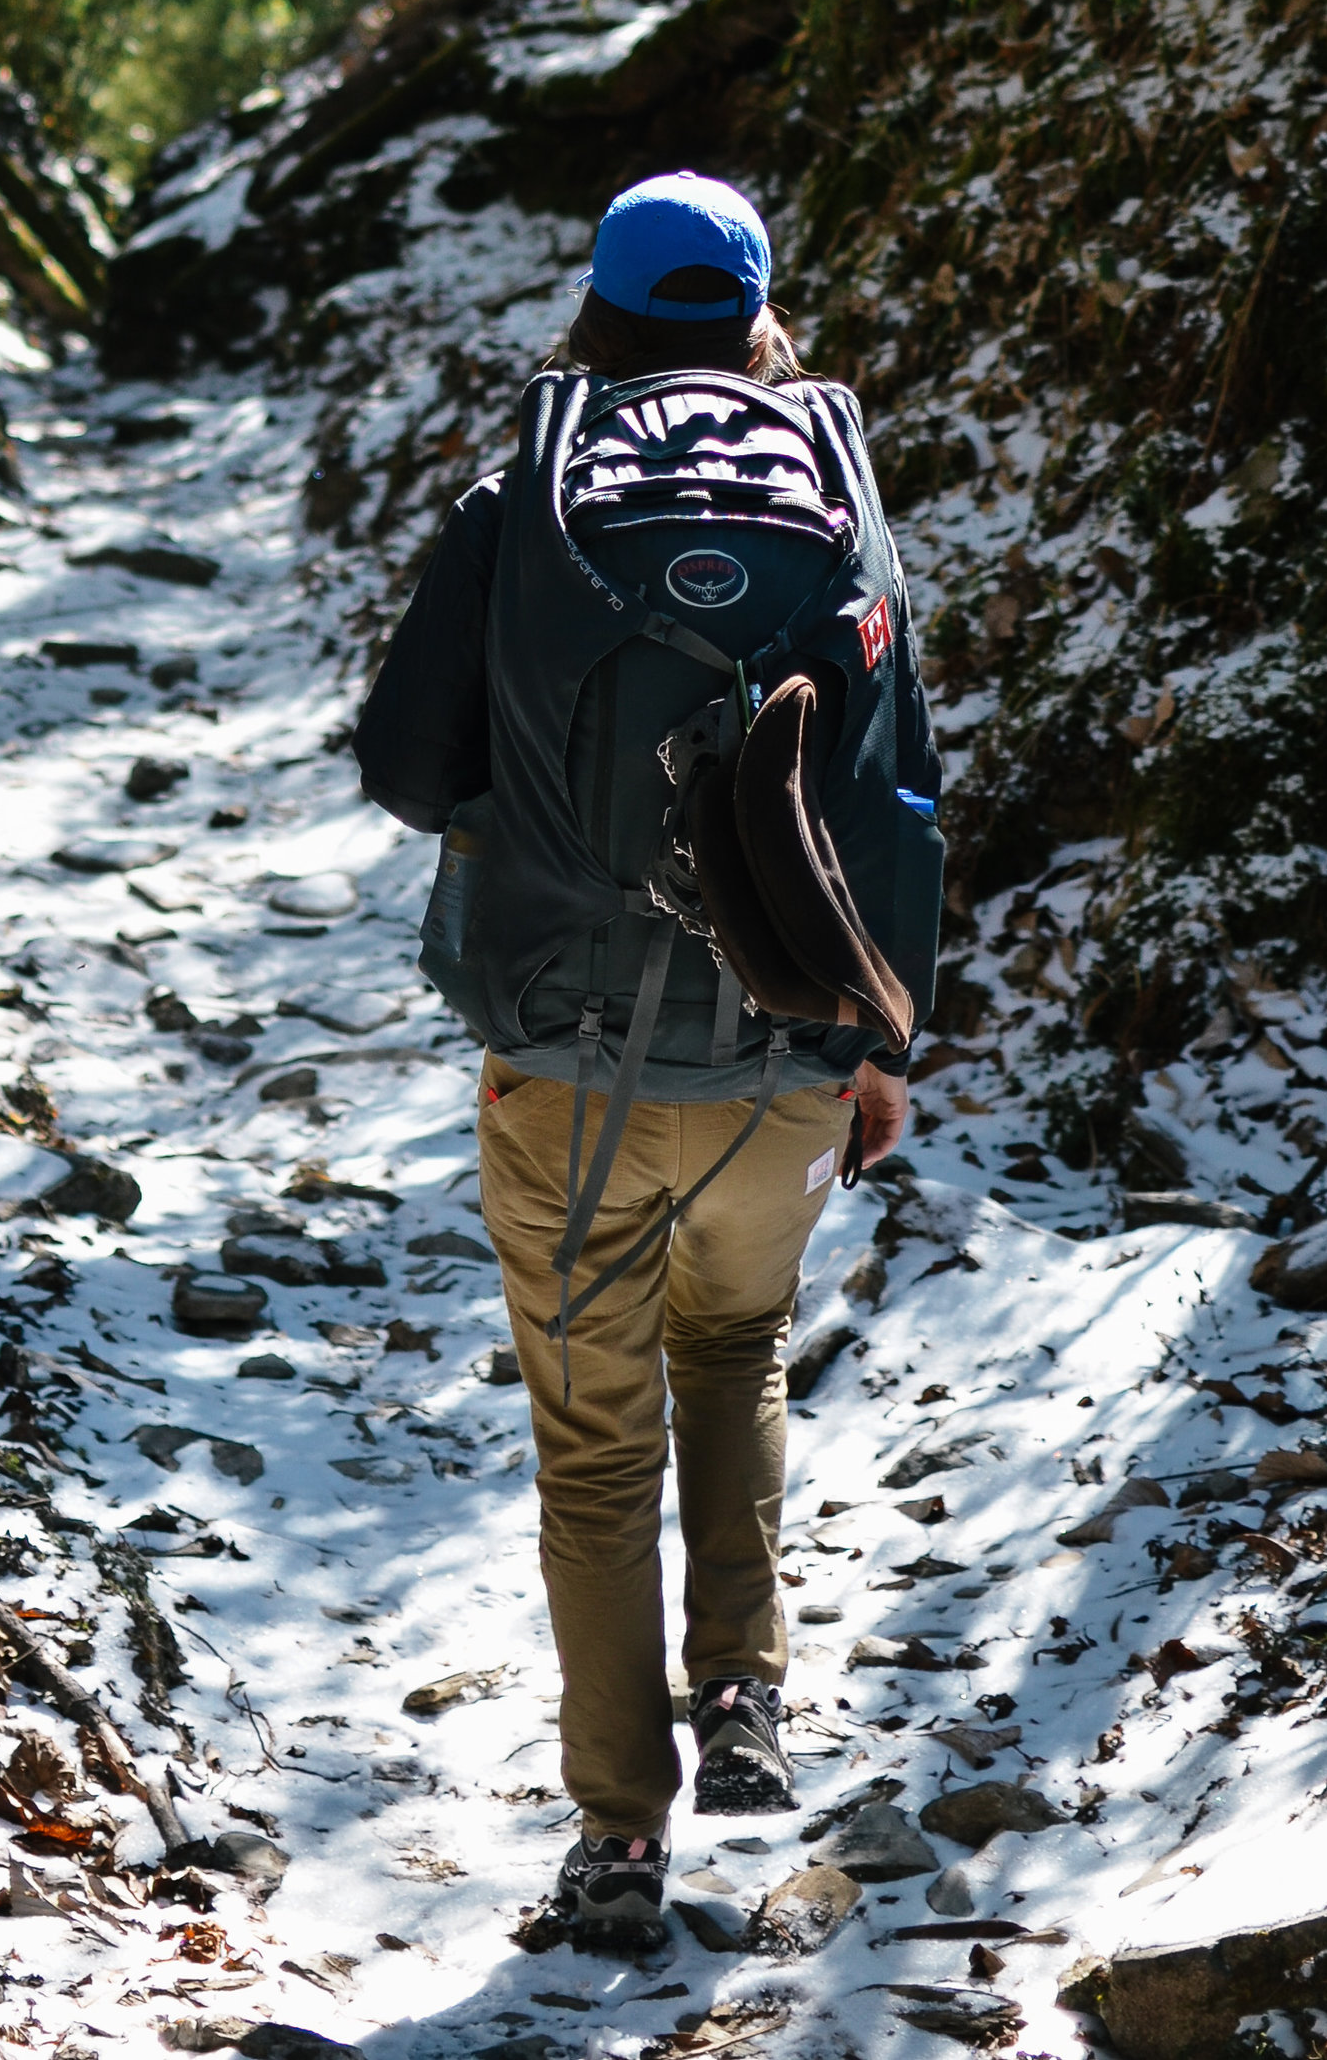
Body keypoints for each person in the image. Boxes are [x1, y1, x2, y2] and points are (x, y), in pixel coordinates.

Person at [352, 171, 941, 1951]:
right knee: (741, 1346)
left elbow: (398, 756)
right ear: (760, 313)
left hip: (561, 1070)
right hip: (783, 1062)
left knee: (594, 1450)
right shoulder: (831, 494)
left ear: (599, 311)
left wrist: (538, 820)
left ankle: (619, 1841)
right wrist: (882, 1031)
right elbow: (897, 794)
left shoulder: (526, 494)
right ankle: (746, 1690)